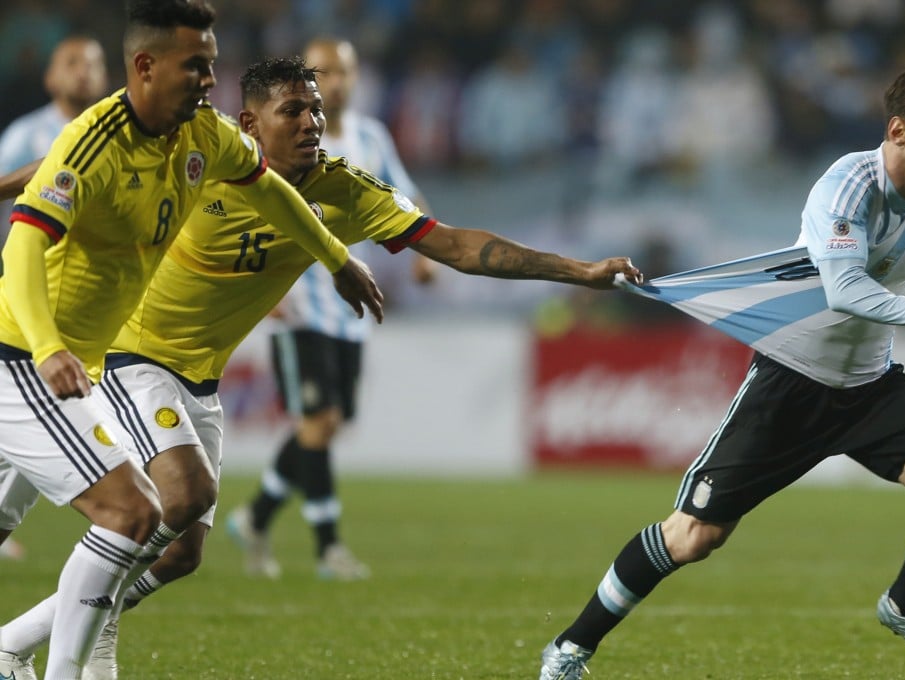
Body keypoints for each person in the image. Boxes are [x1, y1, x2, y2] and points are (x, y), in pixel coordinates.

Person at [0, 54, 642, 679]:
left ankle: (13, 644)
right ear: (250, 125)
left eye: (316, 109)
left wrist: (579, 272)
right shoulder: (204, 158)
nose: (312, 121)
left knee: (180, 553)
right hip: (129, 355)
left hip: (201, 377)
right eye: (293, 111)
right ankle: (77, 640)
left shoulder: (344, 187)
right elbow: (70, 166)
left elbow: (455, 246)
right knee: (180, 496)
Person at [538, 64, 905, 680]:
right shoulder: (845, 188)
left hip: (869, 383)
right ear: (898, 129)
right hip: (792, 378)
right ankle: (570, 649)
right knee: (694, 537)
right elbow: (844, 290)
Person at [0, 0, 383, 677]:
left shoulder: (199, 134)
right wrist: (46, 345)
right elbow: (26, 247)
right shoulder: (92, 142)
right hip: (25, 358)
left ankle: (10, 651)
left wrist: (335, 255)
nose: (210, 79)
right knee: (131, 511)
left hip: (69, 362)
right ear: (145, 66)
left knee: (140, 518)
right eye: (196, 66)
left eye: (211, 64)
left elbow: (268, 190)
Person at [225, 37, 434, 582]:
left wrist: (422, 256)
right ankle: (328, 548)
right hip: (299, 304)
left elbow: (405, 194)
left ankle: (257, 515)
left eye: (344, 73)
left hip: (349, 304)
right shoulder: (271, 145)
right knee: (318, 421)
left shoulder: (370, 137)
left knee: (329, 422)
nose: (336, 83)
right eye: (327, 73)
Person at [0, 35, 108, 251]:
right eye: (71, 63)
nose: (82, 72)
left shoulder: (115, 132)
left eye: (92, 65)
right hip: (31, 258)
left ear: (105, 78)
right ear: (50, 78)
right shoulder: (24, 134)